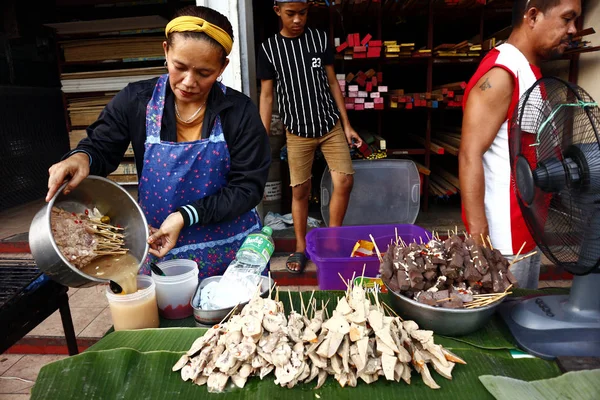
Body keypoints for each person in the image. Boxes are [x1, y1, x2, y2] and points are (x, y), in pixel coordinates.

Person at [45, 6, 271, 279]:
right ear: (166, 50)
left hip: (231, 255)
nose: (189, 82)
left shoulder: (239, 111)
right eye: (180, 67)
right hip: (160, 248)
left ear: (222, 66)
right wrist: (81, 157)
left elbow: (248, 187)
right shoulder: (137, 101)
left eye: (204, 73)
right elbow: (101, 146)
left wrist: (185, 215)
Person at [459, 0, 581, 289]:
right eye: (567, 18)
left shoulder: (527, 70)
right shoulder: (502, 74)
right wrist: (479, 243)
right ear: (533, 16)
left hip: (526, 230)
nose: (573, 29)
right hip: (504, 243)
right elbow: (469, 154)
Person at [258, 0, 363, 274]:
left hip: (329, 126)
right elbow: (267, 95)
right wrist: (262, 133)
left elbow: (331, 83)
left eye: (302, 13)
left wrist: (347, 124)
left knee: (344, 180)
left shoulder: (319, 39)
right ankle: (301, 246)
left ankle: (333, 239)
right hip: (297, 132)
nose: (297, 20)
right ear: (277, 11)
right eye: (290, 14)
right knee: (300, 191)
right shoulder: (269, 49)